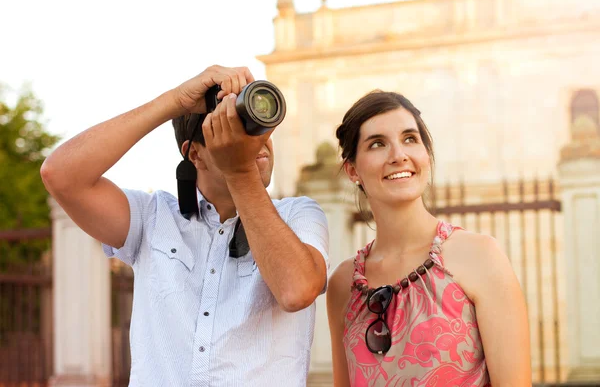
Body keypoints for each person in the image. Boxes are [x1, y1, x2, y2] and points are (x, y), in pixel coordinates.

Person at [40, 65, 329, 386]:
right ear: (195, 154)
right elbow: (60, 175)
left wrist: (239, 172)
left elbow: (297, 291)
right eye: (229, 129)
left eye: (256, 129)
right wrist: (174, 101)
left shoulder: (299, 214)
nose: (255, 142)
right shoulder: (152, 215)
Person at [327, 90, 531, 386]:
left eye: (410, 139)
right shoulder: (343, 285)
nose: (399, 155)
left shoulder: (478, 256)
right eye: (377, 144)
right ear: (352, 170)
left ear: (426, 154)